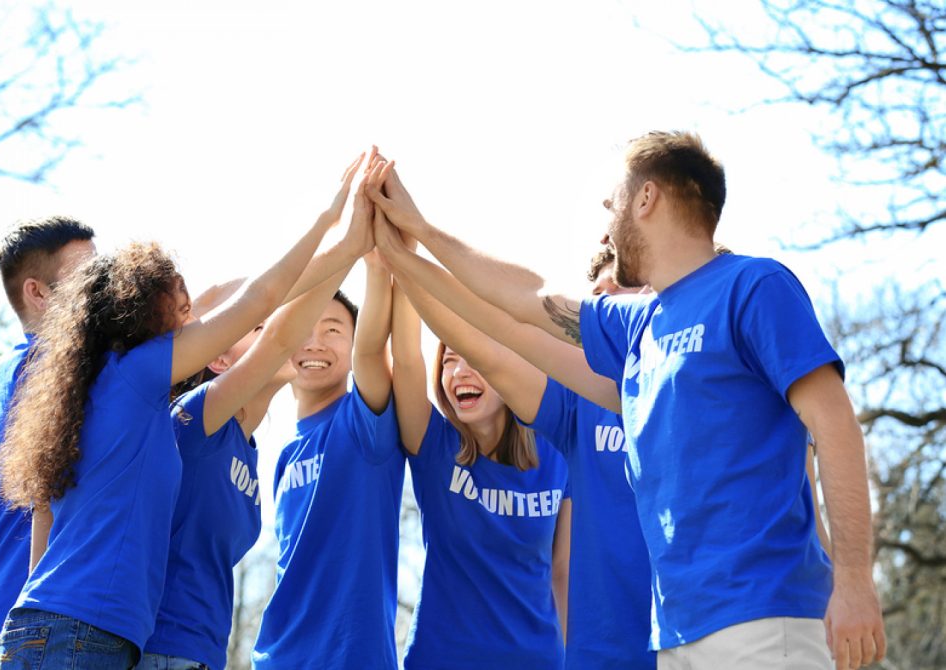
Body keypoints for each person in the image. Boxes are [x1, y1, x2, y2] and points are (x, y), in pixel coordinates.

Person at [364, 133, 885, 670]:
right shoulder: (639, 328)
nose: (607, 214)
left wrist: (853, 580)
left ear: (647, 198)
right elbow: (521, 303)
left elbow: (835, 423)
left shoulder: (753, 285)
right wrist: (411, 238)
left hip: (762, 616)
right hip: (677, 634)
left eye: (614, 199)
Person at [0, 153, 368, 670]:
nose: (195, 317)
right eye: (184, 307)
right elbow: (264, 304)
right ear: (144, 311)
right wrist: (334, 226)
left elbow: (43, 511)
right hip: (78, 634)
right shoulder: (137, 372)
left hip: (58, 627)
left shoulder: (94, 388)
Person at [139, 181, 376, 670]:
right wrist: (346, 240)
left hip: (201, 654)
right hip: (157, 650)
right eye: (259, 326)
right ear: (220, 358)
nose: (288, 334)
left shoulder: (247, 447)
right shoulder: (193, 420)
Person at [373, 214, 570, 669]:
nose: (459, 372)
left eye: (474, 360)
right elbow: (405, 359)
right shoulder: (434, 447)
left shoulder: (558, 449)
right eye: (449, 361)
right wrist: (402, 259)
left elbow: (563, 573)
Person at [252, 202, 404, 669]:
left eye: (334, 329)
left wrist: (375, 267)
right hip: (278, 657)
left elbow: (376, 346)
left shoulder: (364, 424)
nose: (315, 342)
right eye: (306, 329)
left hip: (350, 656)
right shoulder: (283, 455)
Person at [0, 217, 96, 669]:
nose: (104, 287)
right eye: (87, 276)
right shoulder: (56, 369)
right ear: (38, 293)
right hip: (35, 641)